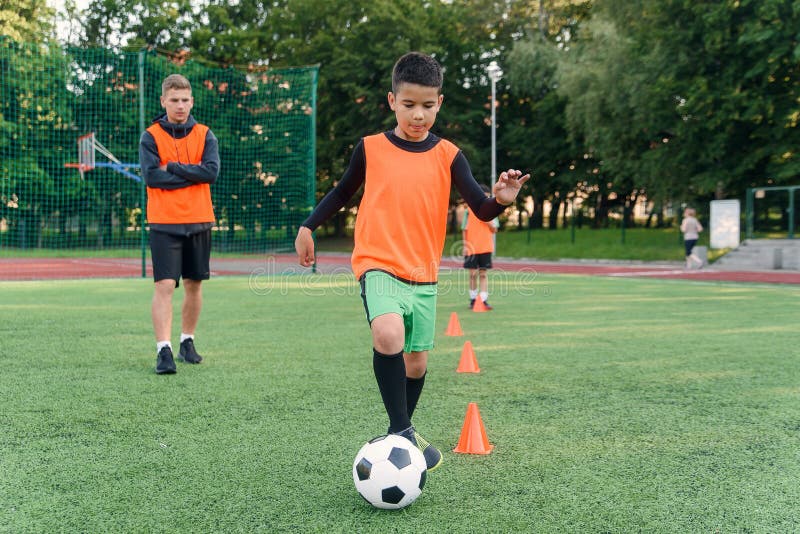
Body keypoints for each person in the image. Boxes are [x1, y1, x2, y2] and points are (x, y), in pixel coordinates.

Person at [294, 52, 529, 470]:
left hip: (423, 273)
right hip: (377, 262)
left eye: (427, 106)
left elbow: (481, 207)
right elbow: (342, 193)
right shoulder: (370, 148)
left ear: (439, 103)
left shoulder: (450, 155)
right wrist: (308, 226)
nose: (418, 115)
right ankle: (403, 433)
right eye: (408, 105)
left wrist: (501, 201)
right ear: (391, 100)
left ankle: (400, 430)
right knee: (388, 335)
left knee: (416, 362)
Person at [139, 74, 220, 374]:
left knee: (194, 285)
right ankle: (164, 350)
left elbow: (210, 172)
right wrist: (192, 173)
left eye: (185, 100)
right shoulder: (150, 136)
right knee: (164, 287)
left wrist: (172, 167)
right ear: (163, 101)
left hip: (199, 219)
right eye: (174, 100)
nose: (180, 106)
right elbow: (151, 177)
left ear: (192, 101)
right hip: (164, 222)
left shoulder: (205, 134)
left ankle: (187, 341)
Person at [461, 184, 499, 310]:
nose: (486, 200)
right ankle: (473, 299)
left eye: (488, 198)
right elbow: (464, 229)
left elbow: (494, 229)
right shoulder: (469, 210)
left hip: (485, 247)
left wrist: (487, 220)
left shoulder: (493, 211)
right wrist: (465, 246)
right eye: (484, 197)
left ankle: (483, 299)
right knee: (472, 275)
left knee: (483, 274)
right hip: (471, 247)